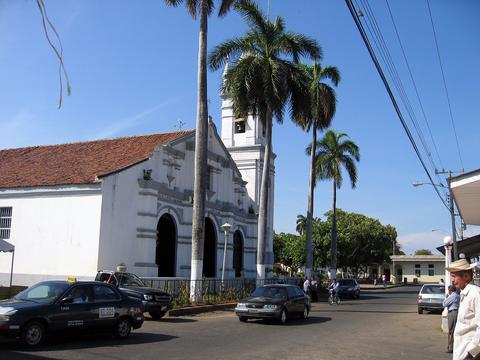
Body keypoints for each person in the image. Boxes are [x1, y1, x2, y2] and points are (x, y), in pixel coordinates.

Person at [446, 259, 480, 360]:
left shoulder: (475, 294)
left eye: (454, 276)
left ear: (466, 276)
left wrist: (472, 353)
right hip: (461, 353)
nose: (452, 280)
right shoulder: (463, 294)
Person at [443, 284, 460, 354]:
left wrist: (446, 297)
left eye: (449, 290)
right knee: (453, 330)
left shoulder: (453, 296)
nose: (448, 291)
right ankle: (452, 347)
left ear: (450, 290)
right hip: (454, 312)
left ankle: (450, 347)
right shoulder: (457, 295)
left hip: (452, 313)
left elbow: (444, 304)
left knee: (451, 331)